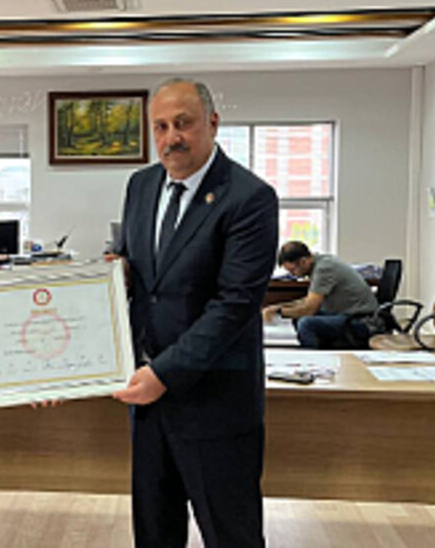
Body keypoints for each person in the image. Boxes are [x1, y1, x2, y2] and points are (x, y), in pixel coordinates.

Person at [111, 78, 278, 547]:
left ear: (213, 123)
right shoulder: (141, 185)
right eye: (160, 127)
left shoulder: (249, 197)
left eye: (183, 123)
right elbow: (145, 275)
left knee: (230, 535)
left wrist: (163, 373)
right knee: (155, 533)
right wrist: (117, 273)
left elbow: (234, 305)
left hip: (216, 404)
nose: (171, 137)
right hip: (149, 403)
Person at [262, 241, 378, 349]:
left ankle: (312, 359)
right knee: (299, 318)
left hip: (361, 320)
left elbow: (309, 309)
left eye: (293, 270)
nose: (293, 275)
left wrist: (279, 312)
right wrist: (277, 308)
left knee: (306, 324)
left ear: (303, 261)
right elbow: (308, 301)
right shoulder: (320, 264)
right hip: (348, 313)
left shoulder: (324, 269)